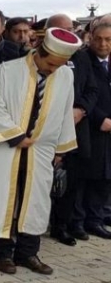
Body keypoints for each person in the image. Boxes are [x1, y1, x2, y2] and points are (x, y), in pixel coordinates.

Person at [0, 28, 81, 275]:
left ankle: (28, 253)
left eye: (59, 65)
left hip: (41, 149)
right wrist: (15, 134)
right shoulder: (8, 70)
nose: (53, 70)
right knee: (3, 197)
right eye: (51, 64)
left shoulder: (64, 75)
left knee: (36, 201)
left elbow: (66, 110)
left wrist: (61, 147)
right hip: (6, 146)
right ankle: (3, 253)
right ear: (39, 54)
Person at [45, 15, 97, 244]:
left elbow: (92, 90)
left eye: (70, 29)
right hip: (46, 128)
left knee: (72, 180)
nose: (68, 33)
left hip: (76, 127)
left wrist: (81, 110)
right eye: (61, 29)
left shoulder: (82, 58)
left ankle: (63, 225)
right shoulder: (39, 57)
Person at [82, 22, 111, 240]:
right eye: (99, 38)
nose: (103, 44)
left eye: (108, 39)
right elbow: (82, 94)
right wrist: (100, 118)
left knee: (107, 176)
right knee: (93, 174)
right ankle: (90, 219)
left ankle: (100, 214)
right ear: (90, 37)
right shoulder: (83, 61)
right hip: (93, 126)